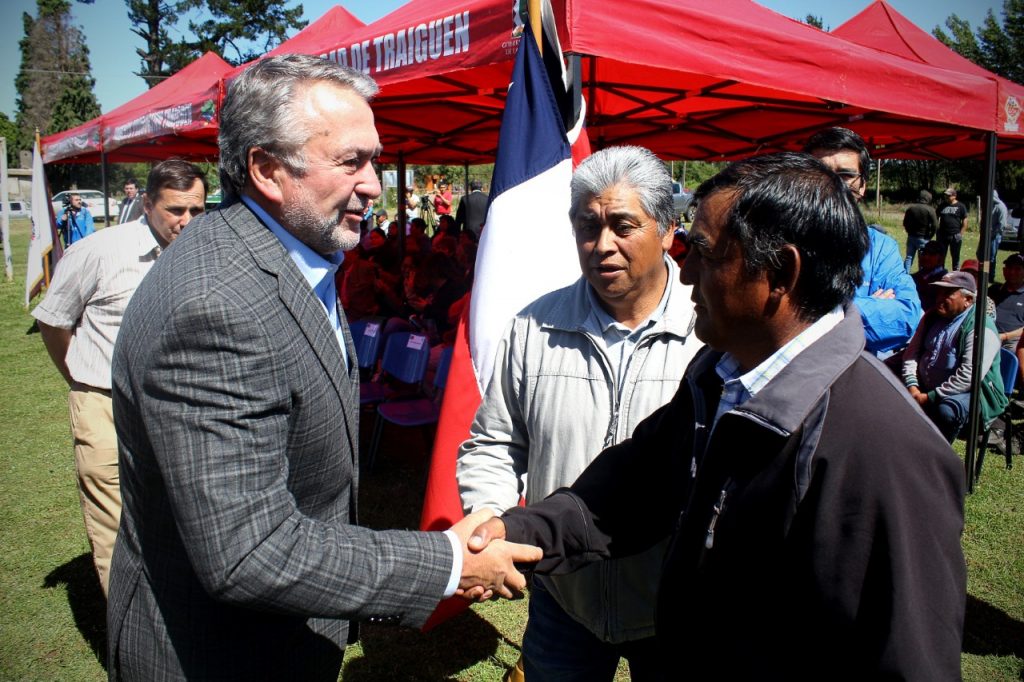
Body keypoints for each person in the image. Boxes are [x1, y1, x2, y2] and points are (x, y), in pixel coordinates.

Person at [107, 55, 539, 681]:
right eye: (351, 161)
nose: (374, 184)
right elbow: (250, 550)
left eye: (374, 160)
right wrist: (449, 563)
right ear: (267, 170)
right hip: (218, 655)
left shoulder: (288, 252)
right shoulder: (217, 306)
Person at [468, 152, 967, 679]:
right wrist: (515, 530)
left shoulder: (886, 448)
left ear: (781, 272)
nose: (684, 273)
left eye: (704, 253)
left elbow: (908, 661)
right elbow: (636, 487)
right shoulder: (719, 375)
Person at [458, 146, 701, 681]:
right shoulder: (534, 327)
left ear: (667, 230)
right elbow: (494, 442)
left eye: (623, 225)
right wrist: (491, 519)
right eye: (588, 226)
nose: (602, 244)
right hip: (563, 599)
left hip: (676, 605)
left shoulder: (708, 331)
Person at [31, 159, 208, 595]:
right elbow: (54, 321)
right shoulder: (98, 251)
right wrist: (79, 378)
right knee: (114, 523)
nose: (187, 221)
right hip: (104, 404)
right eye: (175, 210)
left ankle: (175, 608)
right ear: (147, 204)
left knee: (176, 512)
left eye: (197, 210)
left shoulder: (205, 252)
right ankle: (127, 623)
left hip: (176, 406)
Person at [803, 127, 921, 355]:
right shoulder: (781, 240)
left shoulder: (880, 248)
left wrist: (820, 314)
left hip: (857, 370)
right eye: (819, 173)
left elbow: (905, 318)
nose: (832, 184)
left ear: (863, 185)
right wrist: (862, 309)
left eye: (845, 175)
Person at [902, 271, 1007, 442]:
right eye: (939, 292)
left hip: (973, 393)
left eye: (948, 293)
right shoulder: (931, 316)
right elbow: (911, 353)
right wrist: (912, 386)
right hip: (924, 387)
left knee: (948, 410)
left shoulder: (981, 327)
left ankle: (938, 452)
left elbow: (968, 376)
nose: (939, 298)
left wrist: (929, 397)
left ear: (968, 300)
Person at [988, 252, 1024, 350]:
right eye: (1009, 268)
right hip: (988, 335)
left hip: (1013, 341)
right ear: (1004, 270)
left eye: (1017, 269)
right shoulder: (993, 290)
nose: (1012, 272)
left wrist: (1005, 336)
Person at [903, 189, 938, 272]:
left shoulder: (911, 208)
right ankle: (921, 275)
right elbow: (935, 225)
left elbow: (905, 222)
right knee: (923, 258)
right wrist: (930, 235)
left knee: (909, 257)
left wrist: (908, 231)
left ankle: (905, 274)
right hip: (924, 237)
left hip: (911, 236)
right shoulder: (930, 210)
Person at [937, 187, 969, 270]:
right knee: (940, 256)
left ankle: (955, 274)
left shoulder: (961, 206)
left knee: (955, 257)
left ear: (954, 196)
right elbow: (935, 218)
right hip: (942, 236)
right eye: (946, 195)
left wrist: (960, 234)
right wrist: (937, 231)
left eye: (949, 195)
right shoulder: (942, 205)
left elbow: (965, 222)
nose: (946, 197)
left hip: (955, 236)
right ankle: (940, 273)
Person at [911, 240, 947, 311]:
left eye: (931, 254)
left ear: (941, 258)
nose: (926, 257)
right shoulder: (913, 278)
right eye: (924, 253)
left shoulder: (944, 282)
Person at [985, 189, 1010, 268]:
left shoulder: (1001, 207)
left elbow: (1002, 224)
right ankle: (985, 271)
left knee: (991, 257)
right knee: (985, 256)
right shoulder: (990, 205)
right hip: (987, 235)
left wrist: (993, 233)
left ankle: (990, 273)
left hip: (995, 236)